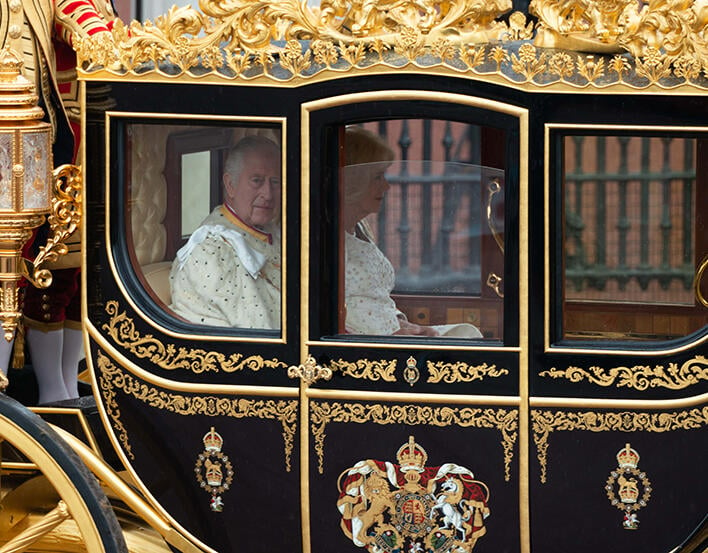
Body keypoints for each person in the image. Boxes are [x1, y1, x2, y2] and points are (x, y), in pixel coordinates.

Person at [0, 0, 115, 404]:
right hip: (30, 132)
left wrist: (110, 41)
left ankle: (60, 389)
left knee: (62, 265)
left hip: (48, 130)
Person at [342, 126, 482, 338]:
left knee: (467, 335)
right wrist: (391, 336)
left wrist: (405, 325)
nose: (387, 186)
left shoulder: (360, 228)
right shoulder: (323, 238)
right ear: (355, 180)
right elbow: (335, 315)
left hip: (390, 334)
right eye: (378, 177)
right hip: (372, 347)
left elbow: (374, 299)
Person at [169, 136, 282, 329]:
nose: (268, 194)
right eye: (257, 181)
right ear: (230, 184)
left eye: (275, 182)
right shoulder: (212, 252)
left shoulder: (273, 229)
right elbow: (255, 330)